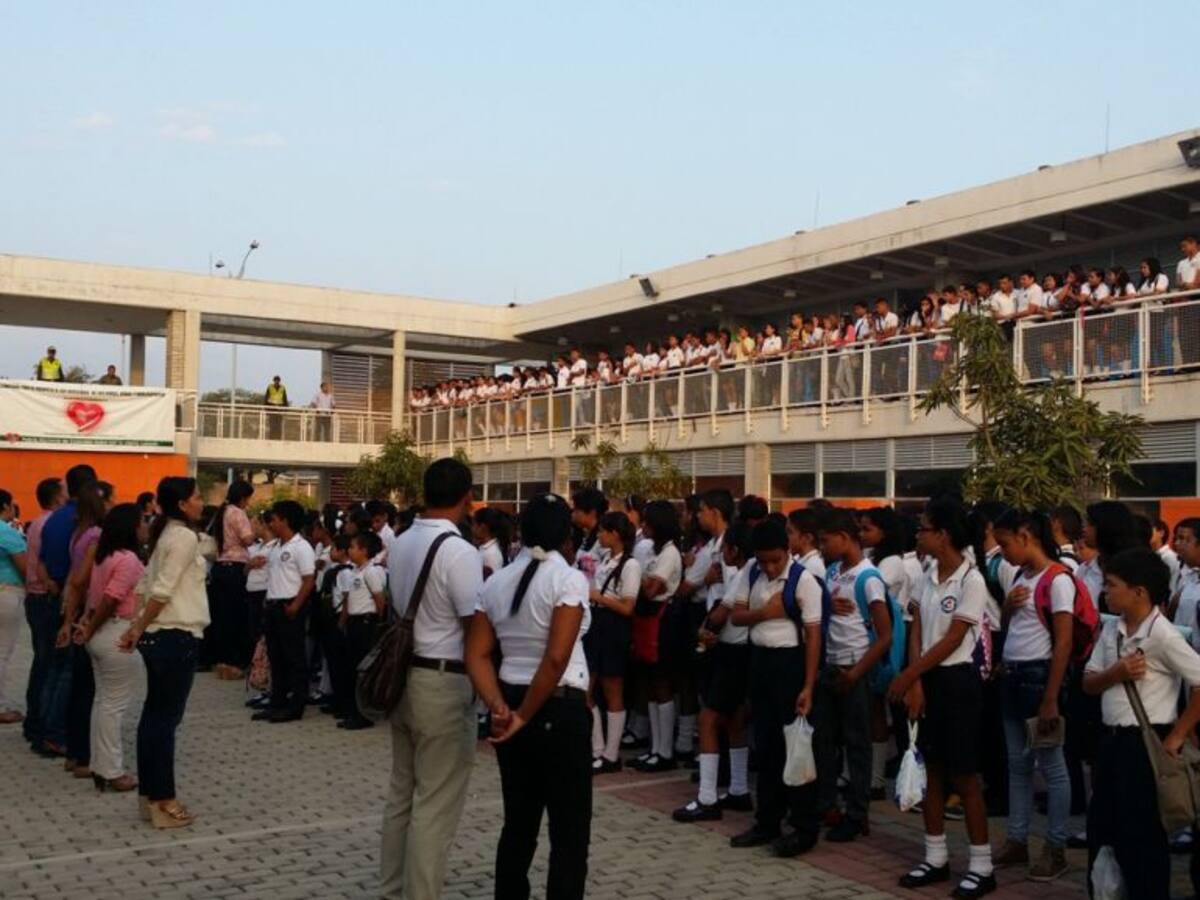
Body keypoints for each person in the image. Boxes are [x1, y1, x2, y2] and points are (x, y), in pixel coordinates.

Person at [466, 492, 592, 900]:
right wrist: (522, 714)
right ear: (566, 534)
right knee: (568, 831)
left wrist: (500, 706)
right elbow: (556, 659)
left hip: (512, 697)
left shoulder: (498, 579)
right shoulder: (568, 578)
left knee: (519, 823)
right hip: (558, 704)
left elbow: (477, 654)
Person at [381, 457, 482, 900]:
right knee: (436, 803)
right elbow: (473, 625)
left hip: (403, 675)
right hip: (441, 680)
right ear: (467, 498)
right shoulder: (459, 551)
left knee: (402, 792)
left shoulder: (402, 541)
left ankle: (392, 888)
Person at [888, 497, 994, 899]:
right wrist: (914, 680)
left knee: (965, 776)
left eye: (924, 528)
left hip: (956, 683)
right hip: (927, 678)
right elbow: (915, 627)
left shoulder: (972, 580)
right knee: (931, 768)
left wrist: (912, 673)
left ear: (943, 535)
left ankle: (982, 866)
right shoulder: (926, 573)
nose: (919, 534)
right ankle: (935, 857)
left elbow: (954, 638)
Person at [1084, 547, 1200, 899]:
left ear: (1140, 592)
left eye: (1112, 585)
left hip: (1146, 746)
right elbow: (1088, 683)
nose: (1106, 591)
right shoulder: (1112, 630)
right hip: (1111, 742)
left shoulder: (1163, 636)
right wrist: (1116, 672)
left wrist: (1178, 735)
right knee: (1103, 830)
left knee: (1143, 838)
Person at [119, 476, 211, 829]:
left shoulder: (165, 535)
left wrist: (136, 628)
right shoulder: (184, 536)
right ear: (183, 504)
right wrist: (137, 627)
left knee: (154, 719)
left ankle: (151, 798)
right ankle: (163, 800)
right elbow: (161, 589)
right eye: (198, 496)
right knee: (164, 721)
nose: (201, 502)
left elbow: (146, 585)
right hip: (175, 634)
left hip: (161, 635)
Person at [729, 517, 823, 858]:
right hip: (760, 661)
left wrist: (809, 685)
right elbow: (737, 617)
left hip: (792, 665)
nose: (769, 567)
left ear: (788, 551)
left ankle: (803, 827)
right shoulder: (750, 573)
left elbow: (813, 635)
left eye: (775, 560)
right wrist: (766, 613)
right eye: (763, 560)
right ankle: (767, 821)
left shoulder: (804, 581)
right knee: (766, 745)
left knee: (796, 746)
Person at [990, 509, 1073, 881]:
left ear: (1027, 536)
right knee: (1017, 765)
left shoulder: (1058, 580)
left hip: (1039, 678)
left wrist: (1051, 695)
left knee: (1051, 767)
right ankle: (1018, 839)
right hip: (1013, 675)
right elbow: (1012, 625)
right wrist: (1007, 608)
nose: (1002, 552)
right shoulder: (1022, 575)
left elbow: (1064, 640)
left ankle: (1055, 847)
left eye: (1006, 543)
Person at [817, 508, 893, 843]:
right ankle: (828, 804)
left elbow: (885, 634)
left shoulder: (869, 577)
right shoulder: (833, 571)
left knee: (857, 745)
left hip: (854, 668)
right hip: (831, 665)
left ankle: (857, 813)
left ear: (845, 538)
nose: (822, 547)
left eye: (825, 540)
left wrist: (857, 672)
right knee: (826, 742)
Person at [674, 517, 754, 821]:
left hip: (733, 651)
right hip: (739, 650)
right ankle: (738, 789)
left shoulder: (743, 574)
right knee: (734, 720)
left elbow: (723, 611)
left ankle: (707, 797)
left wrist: (704, 630)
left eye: (725, 551)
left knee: (708, 720)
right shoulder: (749, 570)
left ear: (734, 550)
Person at [75, 503, 145, 791]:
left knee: (103, 703)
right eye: (141, 522)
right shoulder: (127, 559)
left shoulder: (106, 556)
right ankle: (112, 770)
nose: (145, 527)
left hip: (102, 633)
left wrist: (89, 626)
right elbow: (111, 598)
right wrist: (90, 626)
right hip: (117, 631)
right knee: (113, 705)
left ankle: (100, 764)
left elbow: (95, 597)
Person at [35, 464, 98, 756]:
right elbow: (81, 572)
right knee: (67, 671)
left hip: (54, 593)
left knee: (50, 666)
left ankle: (40, 728)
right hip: (72, 598)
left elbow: (42, 560)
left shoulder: (53, 519)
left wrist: (49, 583)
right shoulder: (82, 522)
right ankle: (56, 733)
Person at [59, 479, 112, 778]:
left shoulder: (79, 533)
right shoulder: (95, 535)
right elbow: (81, 578)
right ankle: (82, 755)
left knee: (79, 685)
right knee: (87, 688)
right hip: (85, 611)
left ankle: (74, 752)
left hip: (74, 607)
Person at [630, 500, 683, 773]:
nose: (644, 526)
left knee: (662, 682)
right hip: (645, 616)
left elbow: (651, 589)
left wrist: (634, 580)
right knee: (649, 682)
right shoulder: (649, 549)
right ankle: (654, 746)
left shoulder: (670, 553)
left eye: (648, 522)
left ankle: (665, 750)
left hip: (662, 618)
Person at [585, 511, 640, 774]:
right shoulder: (605, 558)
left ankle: (611, 753)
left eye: (604, 531)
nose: (600, 536)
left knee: (612, 689)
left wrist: (598, 596)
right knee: (588, 687)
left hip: (614, 627)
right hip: (597, 623)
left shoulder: (631, 565)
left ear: (615, 534)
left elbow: (628, 606)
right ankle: (597, 748)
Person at [254, 500, 316, 724]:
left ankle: (296, 704)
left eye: (275, 518)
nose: (271, 522)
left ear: (286, 521)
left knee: (294, 657)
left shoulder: (302, 547)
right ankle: (276, 701)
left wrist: (295, 606)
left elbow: (309, 580)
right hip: (273, 605)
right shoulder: (276, 547)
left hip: (289, 606)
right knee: (276, 657)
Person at [21, 477, 64, 744]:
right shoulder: (52, 523)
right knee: (49, 666)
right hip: (45, 597)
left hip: (34, 598)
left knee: (42, 662)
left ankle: (34, 721)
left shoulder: (37, 522)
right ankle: (42, 726)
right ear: (57, 498)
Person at [334, 531, 386, 731]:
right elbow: (348, 600)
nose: (349, 550)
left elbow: (380, 601)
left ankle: (364, 714)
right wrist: (342, 621)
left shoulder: (371, 571)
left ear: (364, 550)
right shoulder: (354, 572)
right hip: (353, 623)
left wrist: (378, 625)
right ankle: (352, 709)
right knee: (351, 668)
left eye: (354, 547)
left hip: (366, 623)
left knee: (363, 670)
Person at [209, 481, 256, 680]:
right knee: (236, 618)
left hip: (219, 567)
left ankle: (221, 661)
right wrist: (253, 529)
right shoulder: (237, 513)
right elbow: (247, 540)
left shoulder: (221, 512)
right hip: (235, 568)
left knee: (221, 618)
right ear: (243, 497)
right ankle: (234, 663)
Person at [0, 488, 28, 725]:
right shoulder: (6, 533)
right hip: (6, 592)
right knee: (1, 653)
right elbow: (24, 568)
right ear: (5, 507)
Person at [473, 507, 511, 580]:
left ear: (483, 527)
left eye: (474, 524)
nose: (472, 528)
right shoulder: (485, 549)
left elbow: (491, 582)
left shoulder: (491, 554)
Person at [265, 375, 289, 440]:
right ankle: (271, 438)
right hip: (272, 408)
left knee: (279, 425)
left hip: (279, 409)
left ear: (279, 381)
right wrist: (266, 409)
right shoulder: (270, 387)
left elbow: (285, 398)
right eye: (275, 380)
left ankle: (278, 438)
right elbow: (266, 398)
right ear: (274, 381)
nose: (276, 382)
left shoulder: (282, 388)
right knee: (272, 425)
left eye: (278, 380)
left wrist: (285, 409)